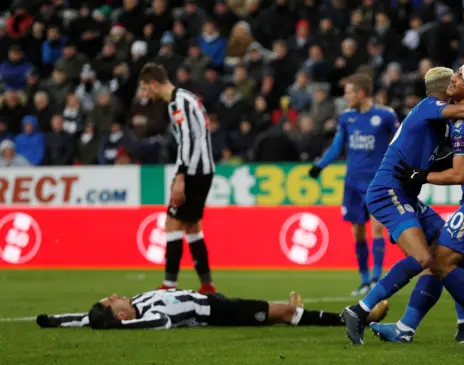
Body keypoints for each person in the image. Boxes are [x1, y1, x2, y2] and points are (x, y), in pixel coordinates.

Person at [340, 66, 464, 345]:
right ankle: (359, 310)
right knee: (425, 259)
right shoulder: (429, 106)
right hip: (389, 191)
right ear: (447, 87)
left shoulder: (436, 119)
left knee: (452, 250)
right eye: (454, 81)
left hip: (405, 194)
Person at [308, 73, 399, 296]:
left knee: (377, 227)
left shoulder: (385, 115)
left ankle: (377, 278)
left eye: (348, 92)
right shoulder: (347, 117)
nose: (346, 97)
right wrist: (320, 166)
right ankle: (364, 279)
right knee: (358, 232)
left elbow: (399, 143)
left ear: (360, 93)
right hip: (352, 183)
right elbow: (338, 146)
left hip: (377, 182)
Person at [138, 63, 216, 294]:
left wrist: (181, 174)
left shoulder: (177, 102)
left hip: (193, 171)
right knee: (192, 226)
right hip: (203, 169)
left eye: (145, 87)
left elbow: (188, 139)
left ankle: (169, 284)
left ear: (154, 83)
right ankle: (206, 284)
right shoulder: (186, 97)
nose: (145, 93)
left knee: (172, 222)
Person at [35, 290, 389, 330]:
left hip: (217, 303)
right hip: (218, 313)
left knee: (282, 311)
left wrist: (52, 321)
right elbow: (160, 323)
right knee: (282, 312)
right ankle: (357, 317)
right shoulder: (151, 317)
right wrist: (118, 328)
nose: (114, 295)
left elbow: (85, 319)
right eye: (112, 302)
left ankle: (297, 311)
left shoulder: (137, 304)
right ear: (121, 315)